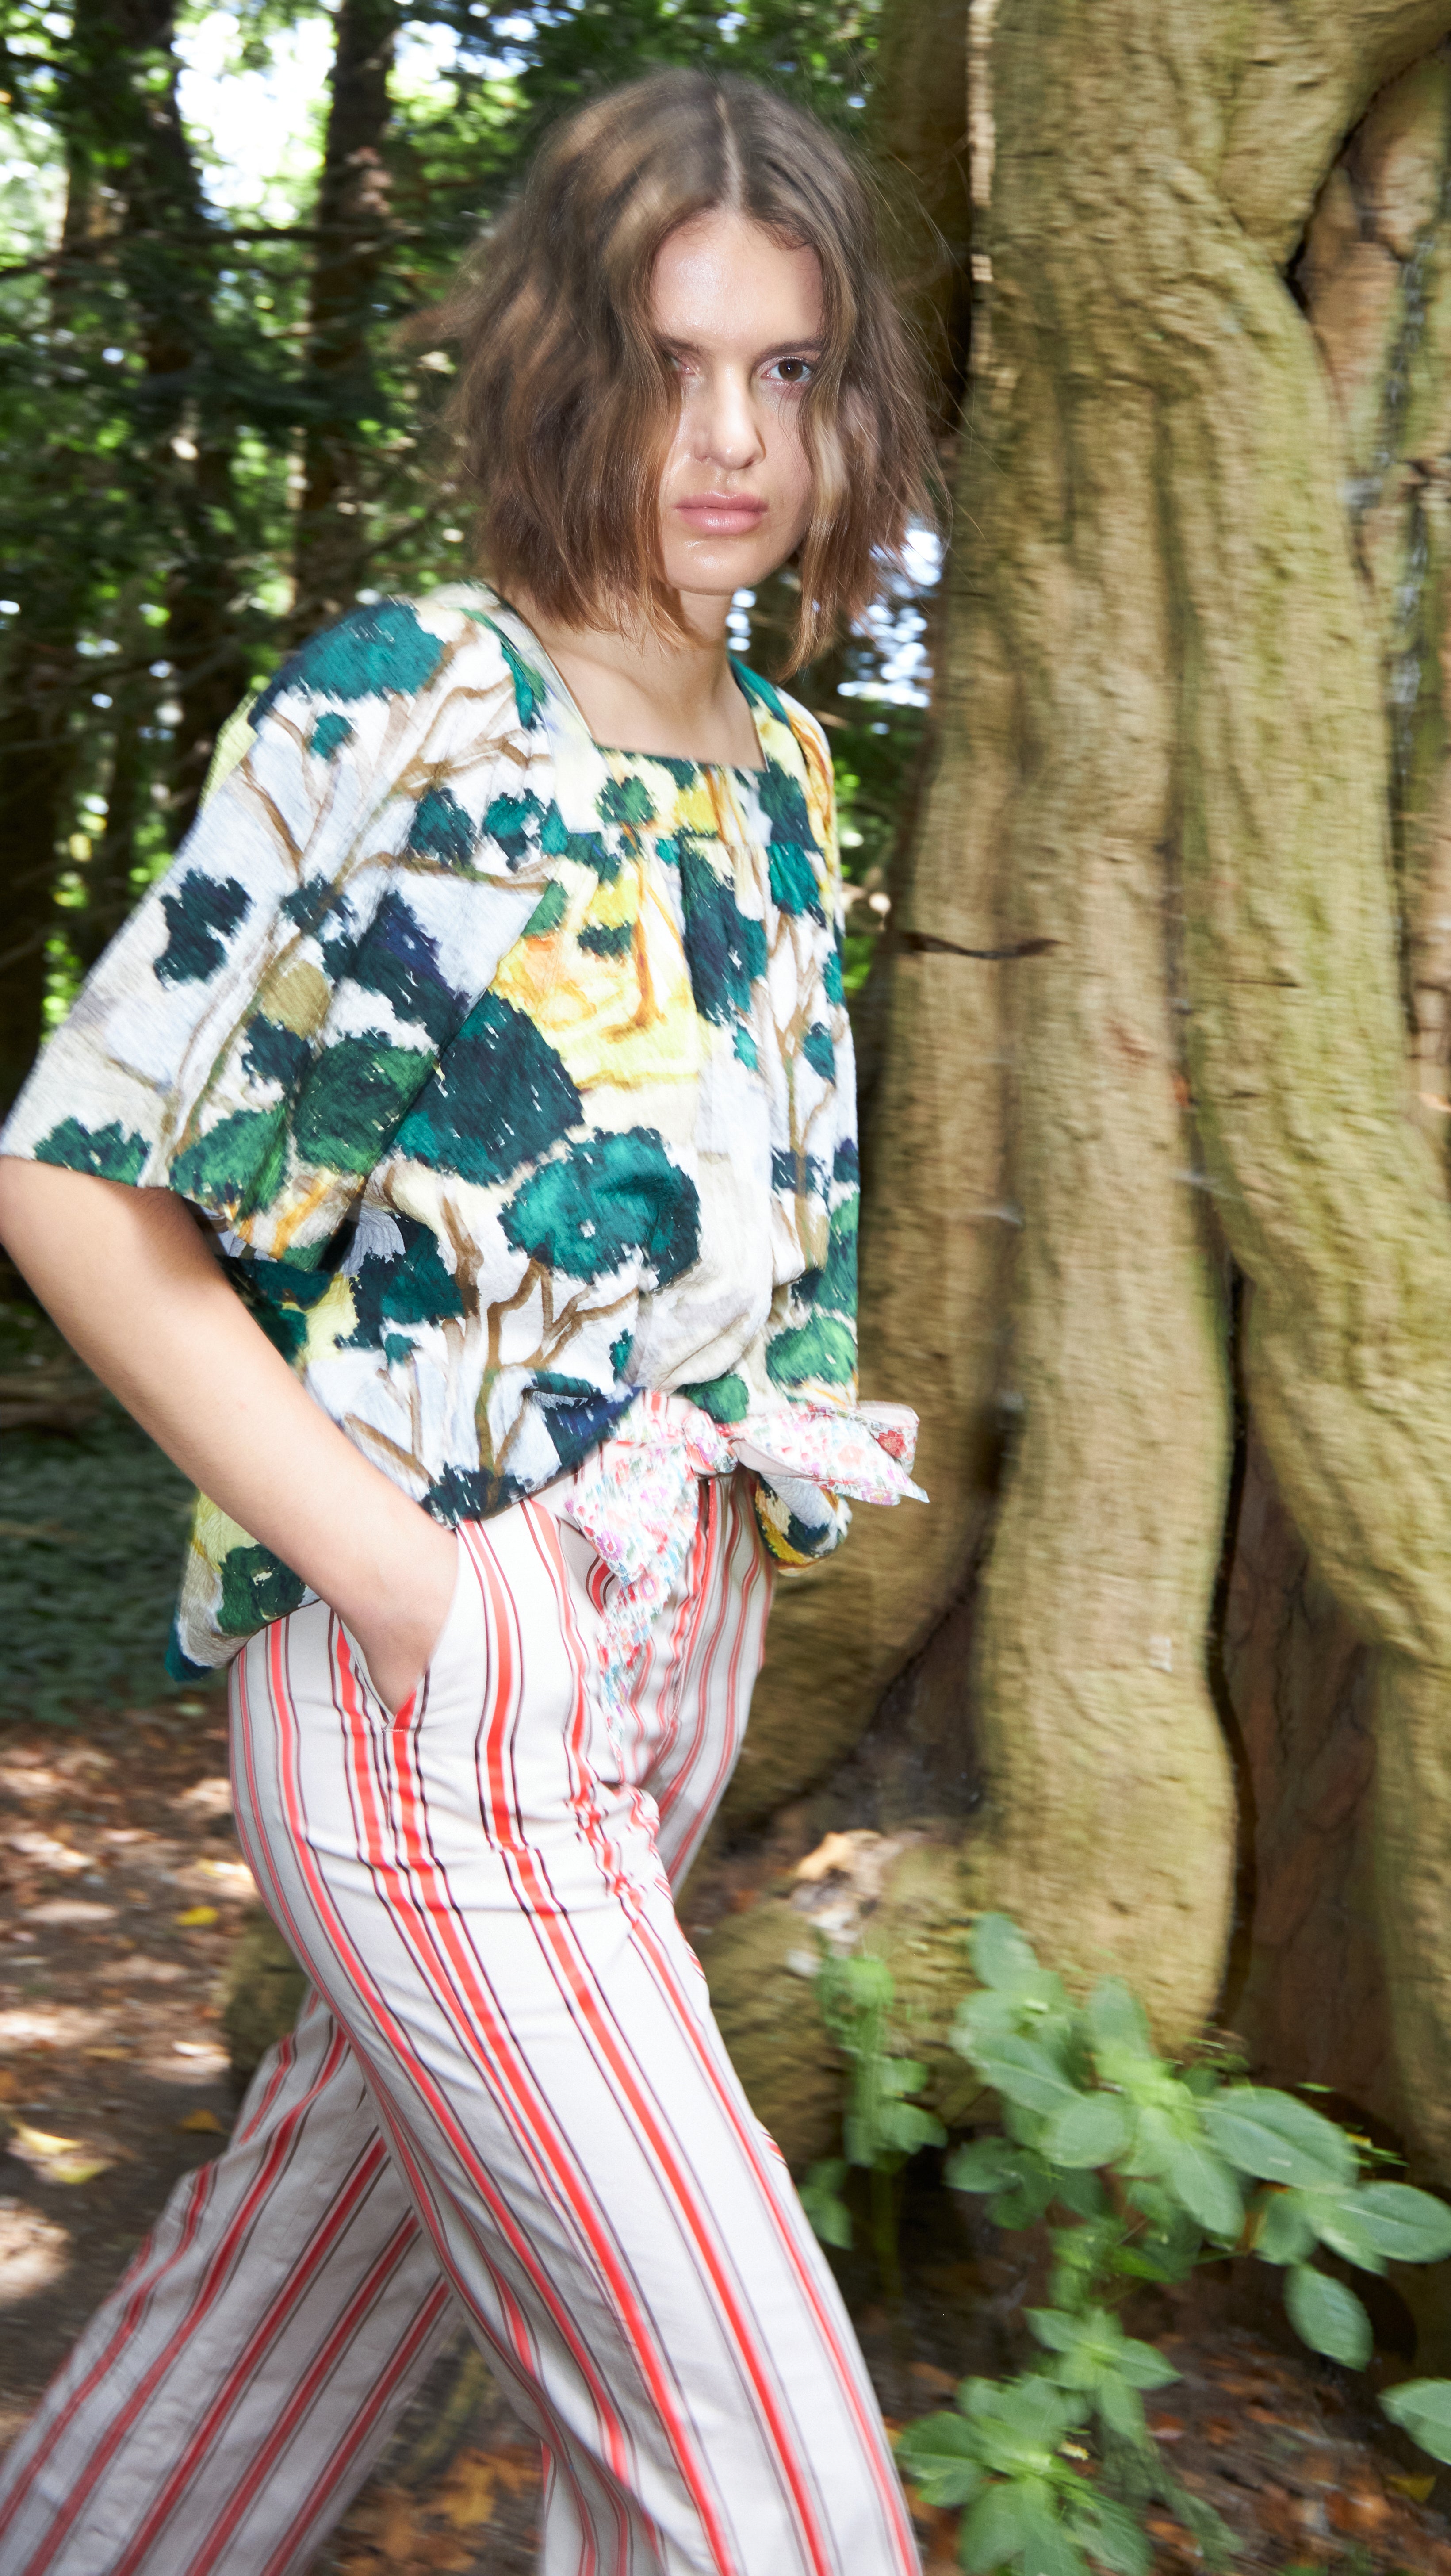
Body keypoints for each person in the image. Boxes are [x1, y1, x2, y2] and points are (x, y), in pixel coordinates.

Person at [0, 68, 931, 2576]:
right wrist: (430, 1592)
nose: (732, 439)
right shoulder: (425, 708)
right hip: (449, 1677)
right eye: (672, 363)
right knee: (773, 2508)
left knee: (267, 2338)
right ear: (558, 369)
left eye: (795, 370)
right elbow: (82, 1185)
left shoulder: (779, 776)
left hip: (676, 1660)